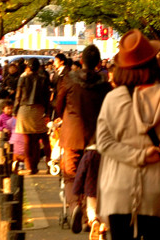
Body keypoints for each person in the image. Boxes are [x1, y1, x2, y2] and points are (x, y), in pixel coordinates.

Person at [96, 29, 160, 240]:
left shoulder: (113, 99)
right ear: (154, 63)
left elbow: (103, 142)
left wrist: (137, 156)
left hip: (117, 189)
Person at [55, 44, 111, 234]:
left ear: (81, 61)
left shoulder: (69, 80)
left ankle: (74, 207)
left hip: (72, 134)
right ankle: (90, 217)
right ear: (98, 63)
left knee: (70, 174)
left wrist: (61, 116)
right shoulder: (104, 83)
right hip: (96, 136)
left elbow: (58, 104)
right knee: (92, 176)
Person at [13, 57, 51, 174]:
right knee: (44, 138)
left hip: (24, 110)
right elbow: (46, 97)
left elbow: (18, 96)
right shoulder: (44, 79)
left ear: (28, 67)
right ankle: (49, 164)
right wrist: (47, 111)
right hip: (39, 109)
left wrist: (15, 111)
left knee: (28, 140)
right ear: (39, 67)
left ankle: (30, 167)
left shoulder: (23, 79)